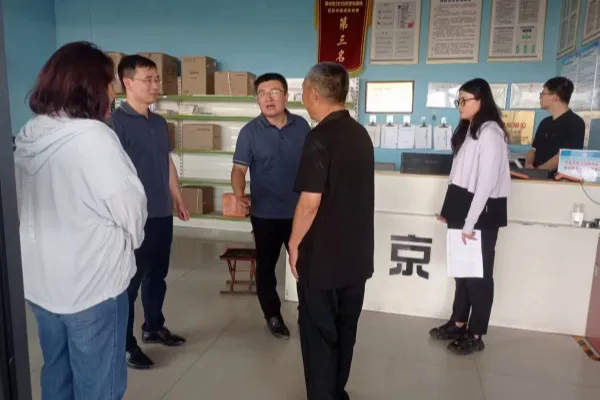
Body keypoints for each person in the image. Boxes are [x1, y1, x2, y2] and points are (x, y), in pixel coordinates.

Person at [14, 41, 147, 399]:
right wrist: (132, 242)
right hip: (92, 288)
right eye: (109, 84)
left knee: (57, 375)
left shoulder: (31, 133)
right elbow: (131, 208)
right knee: (99, 386)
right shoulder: (93, 138)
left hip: (43, 285)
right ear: (90, 88)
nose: (112, 93)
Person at [288, 62, 374, 400]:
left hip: (323, 259)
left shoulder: (319, 138)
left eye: (302, 92)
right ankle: (337, 392)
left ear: (312, 93)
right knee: (345, 330)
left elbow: (310, 203)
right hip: (356, 257)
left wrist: (294, 243)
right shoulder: (360, 134)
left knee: (319, 335)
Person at [110, 55, 190, 370]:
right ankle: (126, 344)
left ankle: (154, 327)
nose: (156, 85)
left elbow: (166, 162)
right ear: (127, 82)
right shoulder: (114, 123)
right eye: (149, 79)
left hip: (161, 213)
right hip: (133, 219)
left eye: (157, 79)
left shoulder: (158, 122)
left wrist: (177, 197)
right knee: (130, 284)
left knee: (158, 275)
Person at [429, 78, 510, 355]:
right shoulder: (470, 130)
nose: (460, 106)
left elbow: (486, 183)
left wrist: (469, 222)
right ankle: (459, 322)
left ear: (481, 100)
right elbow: (459, 175)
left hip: (480, 216)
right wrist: (448, 210)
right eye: (458, 101)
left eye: (465, 100)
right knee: (462, 272)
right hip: (462, 211)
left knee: (479, 277)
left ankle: (476, 333)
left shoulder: (491, 133)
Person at [231, 73, 310, 339]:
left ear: (286, 96)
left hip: (300, 212)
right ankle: (272, 315)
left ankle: (308, 313)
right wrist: (239, 193)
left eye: (274, 91)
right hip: (265, 214)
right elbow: (239, 169)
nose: (268, 98)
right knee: (266, 268)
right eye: (262, 93)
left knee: (306, 266)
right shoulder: (249, 132)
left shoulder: (302, 126)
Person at [525, 77, 585, 171]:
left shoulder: (576, 123)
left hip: (555, 179)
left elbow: (562, 157)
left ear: (555, 97)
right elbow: (533, 150)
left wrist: (537, 172)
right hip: (536, 176)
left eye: (543, 94)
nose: (540, 97)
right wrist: (528, 165)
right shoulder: (544, 123)